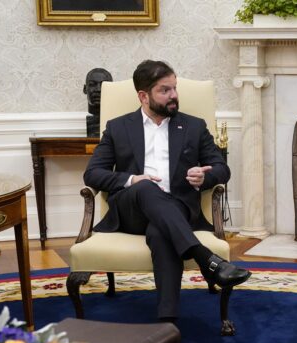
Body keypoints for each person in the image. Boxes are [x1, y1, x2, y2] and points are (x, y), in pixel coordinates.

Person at [84, 60, 251, 323]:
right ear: (143, 96)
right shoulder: (118, 128)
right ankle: (205, 258)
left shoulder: (194, 127)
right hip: (131, 210)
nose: (174, 95)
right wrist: (131, 179)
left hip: (178, 209)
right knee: (146, 188)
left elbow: (222, 169)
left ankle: (167, 325)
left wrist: (204, 177)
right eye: (165, 90)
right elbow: (93, 174)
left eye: (175, 88)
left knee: (161, 232)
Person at [83, 68, 113, 137]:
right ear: (85, 89)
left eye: (103, 85)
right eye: (92, 84)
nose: (98, 89)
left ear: (112, 89)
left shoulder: (118, 122)